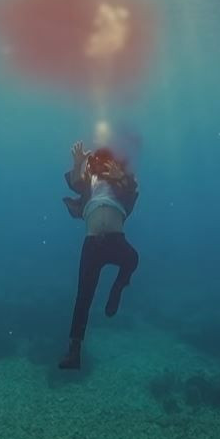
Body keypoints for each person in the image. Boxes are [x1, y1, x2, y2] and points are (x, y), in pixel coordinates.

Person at [57, 140, 139, 369]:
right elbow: (75, 182)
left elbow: (132, 188)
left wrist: (119, 175)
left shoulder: (121, 183)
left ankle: (118, 287)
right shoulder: (89, 181)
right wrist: (78, 163)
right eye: (99, 163)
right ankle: (74, 350)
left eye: (108, 163)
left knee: (132, 259)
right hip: (92, 242)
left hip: (115, 240)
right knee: (84, 295)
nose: (103, 167)